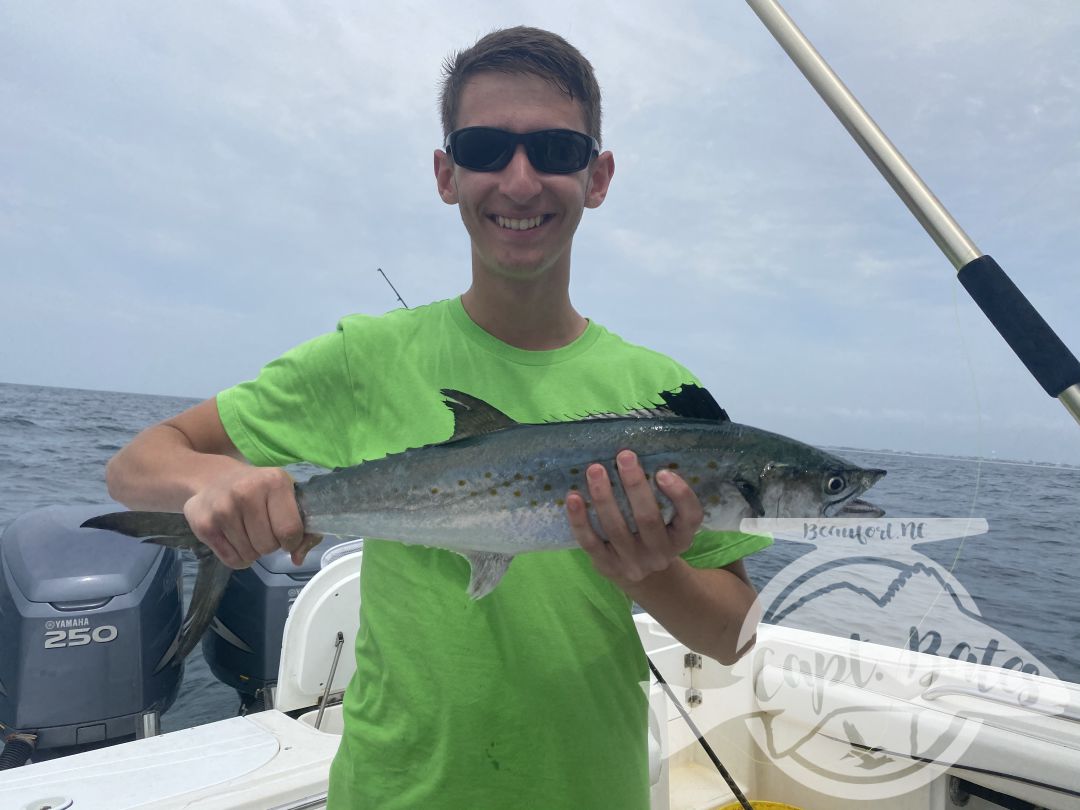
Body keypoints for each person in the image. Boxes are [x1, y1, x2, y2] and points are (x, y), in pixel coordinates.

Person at [106, 26, 769, 809]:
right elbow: (138, 464)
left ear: (598, 176)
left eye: (556, 150)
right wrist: (223, 483)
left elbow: (735, 636)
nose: (520, 182)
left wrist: (652, 569)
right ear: (446, 173)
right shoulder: (366, 360)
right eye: (486, 147)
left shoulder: (667, 398)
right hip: (398, 791)